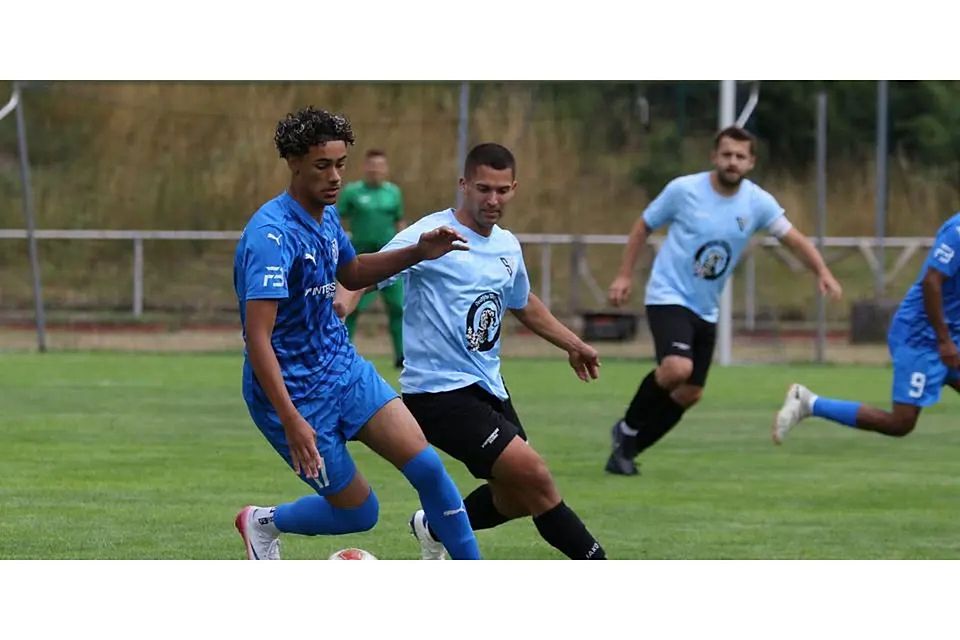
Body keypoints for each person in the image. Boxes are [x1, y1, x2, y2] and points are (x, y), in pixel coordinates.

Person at [336, 143, 606, 560]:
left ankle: (433, 527)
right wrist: (340, 305)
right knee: (537, 478)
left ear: (514, 189)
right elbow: (363, 274)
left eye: (502, 190)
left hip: (489, 388)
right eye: (483, 189)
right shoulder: (431, 235)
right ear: (464, 185)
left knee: (516, 497)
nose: (492, 199)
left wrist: (573, 344)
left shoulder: (507, 246)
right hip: (438, 394)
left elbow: (523, 302)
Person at [232, 106, 480, 560]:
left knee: (428, 468)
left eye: (341, 164)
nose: (335, 177)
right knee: (360, 514)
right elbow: (258, 338)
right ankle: (261, 523)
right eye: (322, 165)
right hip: (293, 395)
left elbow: (353, 270)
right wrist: (291, 419)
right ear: (294, 162)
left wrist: (418, 251)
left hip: (341, 368)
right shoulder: (271, 237)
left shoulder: (325, 216)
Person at [604, 125, 844, 476]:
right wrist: (624, 275)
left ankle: (626, 451)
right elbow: (644, 226)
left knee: (691, 393)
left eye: (740, 156)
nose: (733, 161)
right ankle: (626, 429)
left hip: (707, 307)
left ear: (751, 162)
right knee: (677, 368)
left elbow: (793, 239)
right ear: (714, 157)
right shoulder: (684, 190)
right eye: (727, 154)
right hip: (668, 294)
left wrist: (822, 270)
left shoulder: (757, 202)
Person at [774, 213, 960, 442]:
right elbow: (932, 281)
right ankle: (808, 403)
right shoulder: (957, 231)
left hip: (952, 333)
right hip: (921, 336)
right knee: (901, 422)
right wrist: (944, 340)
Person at [338, 149, 407, 368]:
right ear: (365, 167)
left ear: (385, 169)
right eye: (372, 165)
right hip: (360, 261)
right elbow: (336, 217)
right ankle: (342, 352)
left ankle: (401, 356)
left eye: (380, 165)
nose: (376, 169)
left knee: (398, 307)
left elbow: (399, 221)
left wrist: (406, 247)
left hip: (389, 261)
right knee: (350, 307)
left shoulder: (393, 193)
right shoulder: (353, 192)